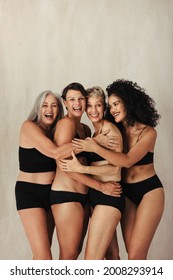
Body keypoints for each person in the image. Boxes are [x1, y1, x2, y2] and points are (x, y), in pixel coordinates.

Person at [68, 79, 165, 260]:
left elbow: (126, 161)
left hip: (149, 190)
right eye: (110, 106)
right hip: (125, 192)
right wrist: (95, 143)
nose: (113, 109)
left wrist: (93, 149)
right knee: (125, 253)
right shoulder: (116, 129)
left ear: (129, 103)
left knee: (136, 255)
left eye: (116, 104)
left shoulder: (148, 133)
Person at [50, 82, 122, 260]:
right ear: (64, 103)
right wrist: (100, 186)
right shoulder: (66, 124)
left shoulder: (86, 129)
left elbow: (113, 163)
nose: (77, 103)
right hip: (67, 196)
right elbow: (65, 165)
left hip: (85, 197)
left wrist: (96, 144)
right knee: (69, 256)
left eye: (81, 99)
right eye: (72, 99)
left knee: (99, 255)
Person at [15, 90, 77, 260]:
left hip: (51, 194)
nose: (49, 109)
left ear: (59, 109)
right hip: (30, 194)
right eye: (45, 105)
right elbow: (55, 152)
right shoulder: (28, 127)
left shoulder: (55, 132)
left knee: (41, 254)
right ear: (38, 108)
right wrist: (91, 144)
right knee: (44, 258)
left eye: (54, 105)